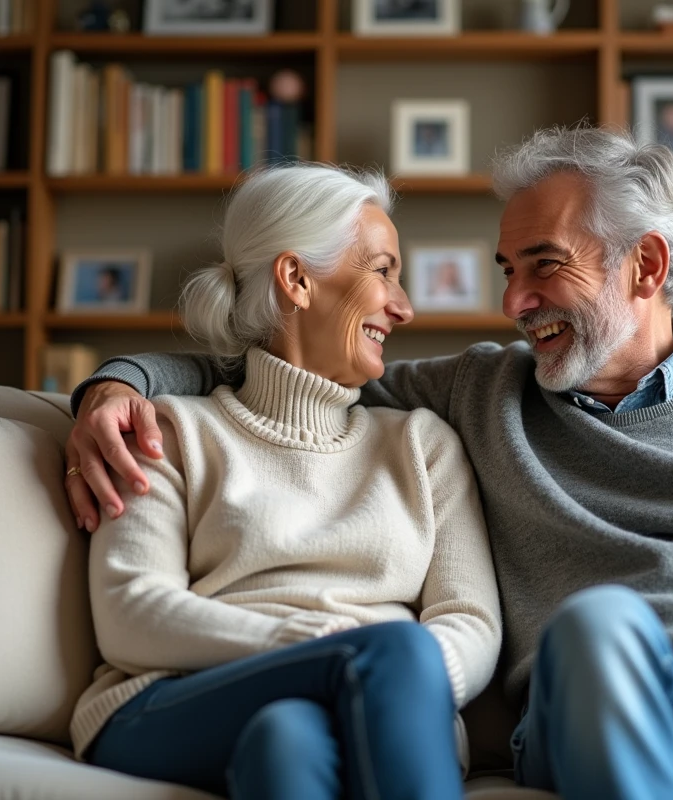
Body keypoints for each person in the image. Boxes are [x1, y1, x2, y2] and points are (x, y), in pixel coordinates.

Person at [66, 127, 673, 800]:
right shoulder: (477, 393)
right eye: (508, 270)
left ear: (646, 268)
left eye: (544, 264)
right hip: (606, 693)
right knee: (601, 621)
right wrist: (114, 384)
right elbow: (277, 363)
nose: (517, 300)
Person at [66, 164, 501, 800]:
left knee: (287, 740)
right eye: (383, 271)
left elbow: (470, 620)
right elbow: (131, 614)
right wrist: (324, 651)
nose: (404, 307)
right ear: (296, 279)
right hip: (174, 700)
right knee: (398, 654)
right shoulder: (170, 431)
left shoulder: (423, 444)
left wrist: (390, 691)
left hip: (375, 704)